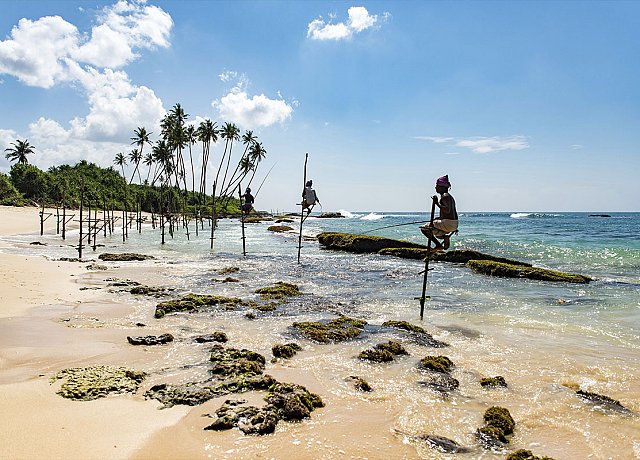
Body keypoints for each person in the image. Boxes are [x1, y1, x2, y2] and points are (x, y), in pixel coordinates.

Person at [420, 175, 458, 250]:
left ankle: (438, 245)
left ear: (443, 187)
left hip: (448, 224)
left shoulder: (445, 196)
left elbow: (447, 210)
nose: (435, 188)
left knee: (424, 228)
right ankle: (445, 237)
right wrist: (437, 219)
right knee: (434, 231)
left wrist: (436, 203)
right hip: (453, 224)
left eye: (437, 186)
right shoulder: (449, 197)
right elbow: (448, 213)